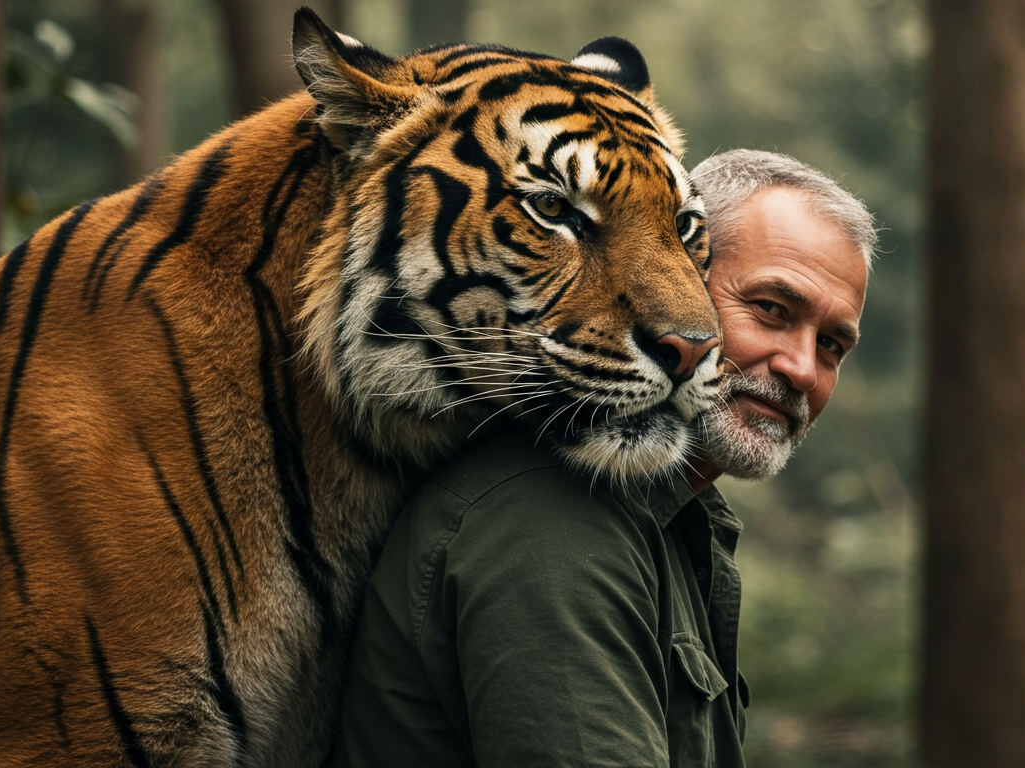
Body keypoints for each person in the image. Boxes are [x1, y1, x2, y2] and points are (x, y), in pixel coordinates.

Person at [330, 149, 876, 767]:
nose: (802, 369)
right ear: (677, 276)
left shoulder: (673, 517)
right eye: (771, 310)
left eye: (830, 345)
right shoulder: (550, 519)